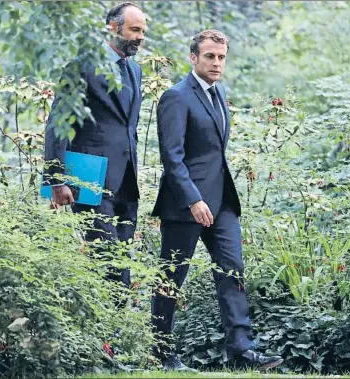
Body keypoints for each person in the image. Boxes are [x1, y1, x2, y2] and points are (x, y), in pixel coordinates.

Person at [151, 30, 284, 371]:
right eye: (209, 56)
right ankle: (161, 353)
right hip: (185, 204)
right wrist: (194, 200)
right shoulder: (176, 97)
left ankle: (241, 351)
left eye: (221, 57)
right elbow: (172, 157)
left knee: (232, 270)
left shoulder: (219, 92)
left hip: (222, 201)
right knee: (171, 277)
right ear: (193, 58)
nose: (216, 63)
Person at [44, 2, 146, 294]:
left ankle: (115, 331)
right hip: (89, 178)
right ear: (112, 28)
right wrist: (56, 179)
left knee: (123, 261)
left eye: (142, 31)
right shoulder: (82, 66)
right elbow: (58, 124)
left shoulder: (135, 71)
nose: (140, 37)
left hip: (127, 182)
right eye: (134, 30)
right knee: (107, 260)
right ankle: (107, 335)